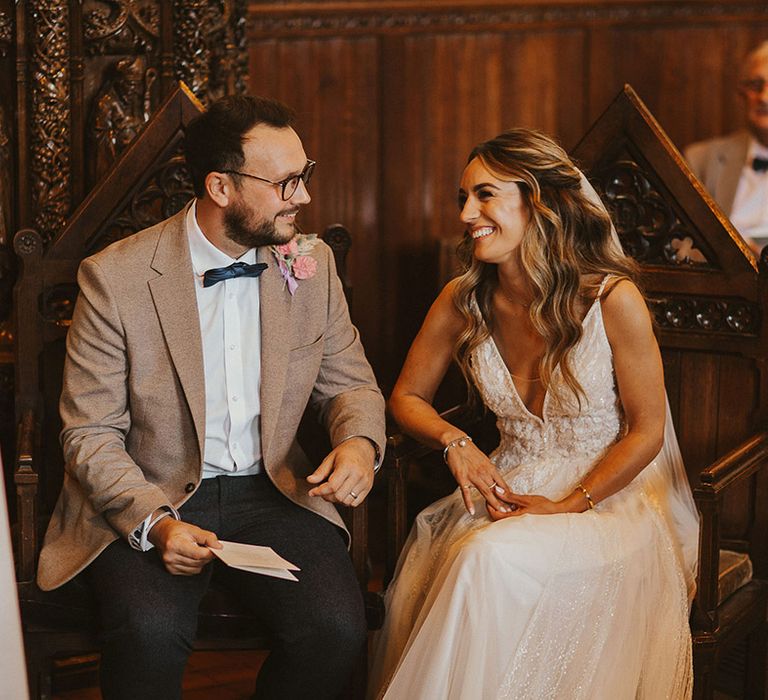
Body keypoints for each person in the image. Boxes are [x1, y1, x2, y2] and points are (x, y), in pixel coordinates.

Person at [36, 94, 386, 700]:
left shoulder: (311, 264)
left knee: (334, 629)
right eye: (286, 182)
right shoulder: (114, 278)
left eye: (306, 175)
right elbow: (88, 432)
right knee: (147, 631)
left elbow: (350, 383)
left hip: (274, 491)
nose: (303, 196)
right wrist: (156, 524)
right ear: (221, 186)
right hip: (153, 491)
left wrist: (357, 442)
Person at [369, 128, 699, 699]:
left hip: (611, 501)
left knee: (486, 561)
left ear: (538, 203)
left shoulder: (612, 300)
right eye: (463, 198)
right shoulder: (463, 299)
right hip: (511, 485)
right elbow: (405, 399)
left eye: (485, 195)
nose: (468, 213)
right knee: (477, 557)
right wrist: (457, 443)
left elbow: (646, 432)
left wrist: (568, 505)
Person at [685, 40, 768, 253]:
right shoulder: (702, 160)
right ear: (742, 96)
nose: (764, 98)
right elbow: (682, 245)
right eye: (756, 86)